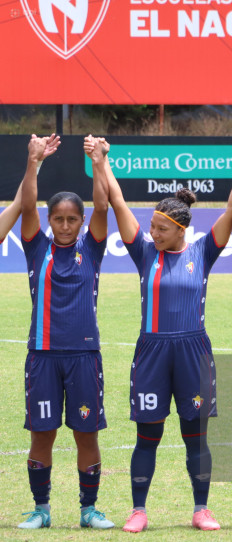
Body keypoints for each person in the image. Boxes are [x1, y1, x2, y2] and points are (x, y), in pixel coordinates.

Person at [90, 137, 232, 532]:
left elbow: (230, 211)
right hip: (153, 351)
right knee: (148, 435)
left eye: (161, 229)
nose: (153, 233)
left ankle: (201, 509)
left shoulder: (203, 253)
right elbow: (120, 202)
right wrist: (101, 161)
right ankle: (138, 509)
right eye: (153, 227)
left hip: (193, 351)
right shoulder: (145, 254)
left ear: (180, 231)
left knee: (196, 435)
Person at [17, 133, 115, 530]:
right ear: (48, 219)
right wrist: (33, 162)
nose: (64, 225)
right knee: (42, 435)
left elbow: (104, 203)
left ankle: (88, 509)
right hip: (42, 356)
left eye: (72, 218)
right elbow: (26, 204)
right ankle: (41, 509)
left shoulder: (91, 247)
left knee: (85, 435)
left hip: (84, 357)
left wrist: (97, 162)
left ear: (81, 220)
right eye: (58, 218)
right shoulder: (35, 246)